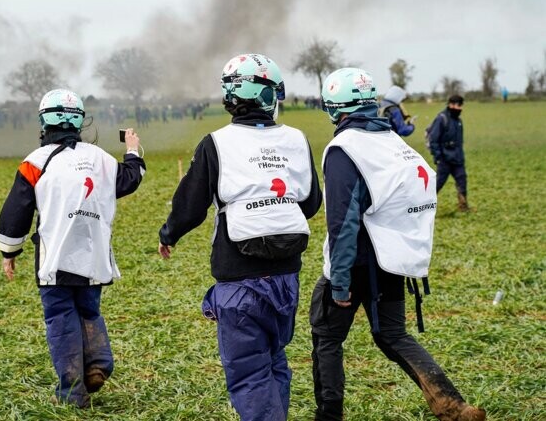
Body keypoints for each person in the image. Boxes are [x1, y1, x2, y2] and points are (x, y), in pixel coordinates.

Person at [311, 68, 485, 421]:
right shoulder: (393, 141)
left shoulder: (344, 149)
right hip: (390, 262)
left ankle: (329, 416)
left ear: (335, 108)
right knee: (393, 335)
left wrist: (340, 281)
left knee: (326, 338)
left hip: (355, 261)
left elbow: (343, 222)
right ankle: (452, 405)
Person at [158, 53, 322, 421]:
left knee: (248, 370)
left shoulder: (216, 143)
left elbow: (191, 204)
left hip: (239, 275)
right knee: (273, 355)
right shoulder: (296, 139)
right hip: (286, 274)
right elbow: (310, 203)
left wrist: (169, 234)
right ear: (268, 94)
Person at [0, 89, 145, 408]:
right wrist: (132, 150)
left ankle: (72, 391)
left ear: (43, 122)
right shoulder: (101, 159)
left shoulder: (35, 162)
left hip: (55, 261)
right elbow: (130, 179)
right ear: (79, 121)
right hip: (94, 259)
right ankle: (99, 364)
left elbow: (16, 211)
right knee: (89, 310)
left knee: (61, 318)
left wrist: (10, 252)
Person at [428, 95, 469, 212]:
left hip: (458, 159)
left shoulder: (458, 121)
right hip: (444, 160)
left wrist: (461, 157)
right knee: (437, 184)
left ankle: (463, 206)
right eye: (458, 105)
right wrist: (438, 157)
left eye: (461, 106)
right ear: (451, 105)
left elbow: (459, 142)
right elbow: (433, 140)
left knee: (462, 182)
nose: (460, 108)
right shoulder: (441, 119)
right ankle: (424, 205)